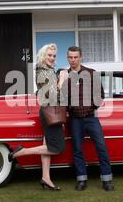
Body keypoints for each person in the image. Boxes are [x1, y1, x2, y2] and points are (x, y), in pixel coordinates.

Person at [8, 44, 68, 190]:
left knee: (47, 146)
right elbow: (53, 95)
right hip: (50, 112)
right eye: (49, 55)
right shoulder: (43, 71)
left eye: (54, 56)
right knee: (57, 148)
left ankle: (45, 178)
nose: (52, 58)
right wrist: (62, 80)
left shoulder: (47, 70)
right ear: (43, 56)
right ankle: (21, 152)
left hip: (51, 110)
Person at [66, 46, 114, 191]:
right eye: (70, 57)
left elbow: (100, 94)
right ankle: (81, 180)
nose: (73, 60)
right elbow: (60, 96)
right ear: (67, 58)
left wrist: (91, 107)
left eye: (75, 57)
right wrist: (70, 108)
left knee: (101, 147)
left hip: (91, 118)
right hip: (74, 119)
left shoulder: (91, 73)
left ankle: (107, 180)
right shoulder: (63, 75)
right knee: (78, 150)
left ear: (81, 57)